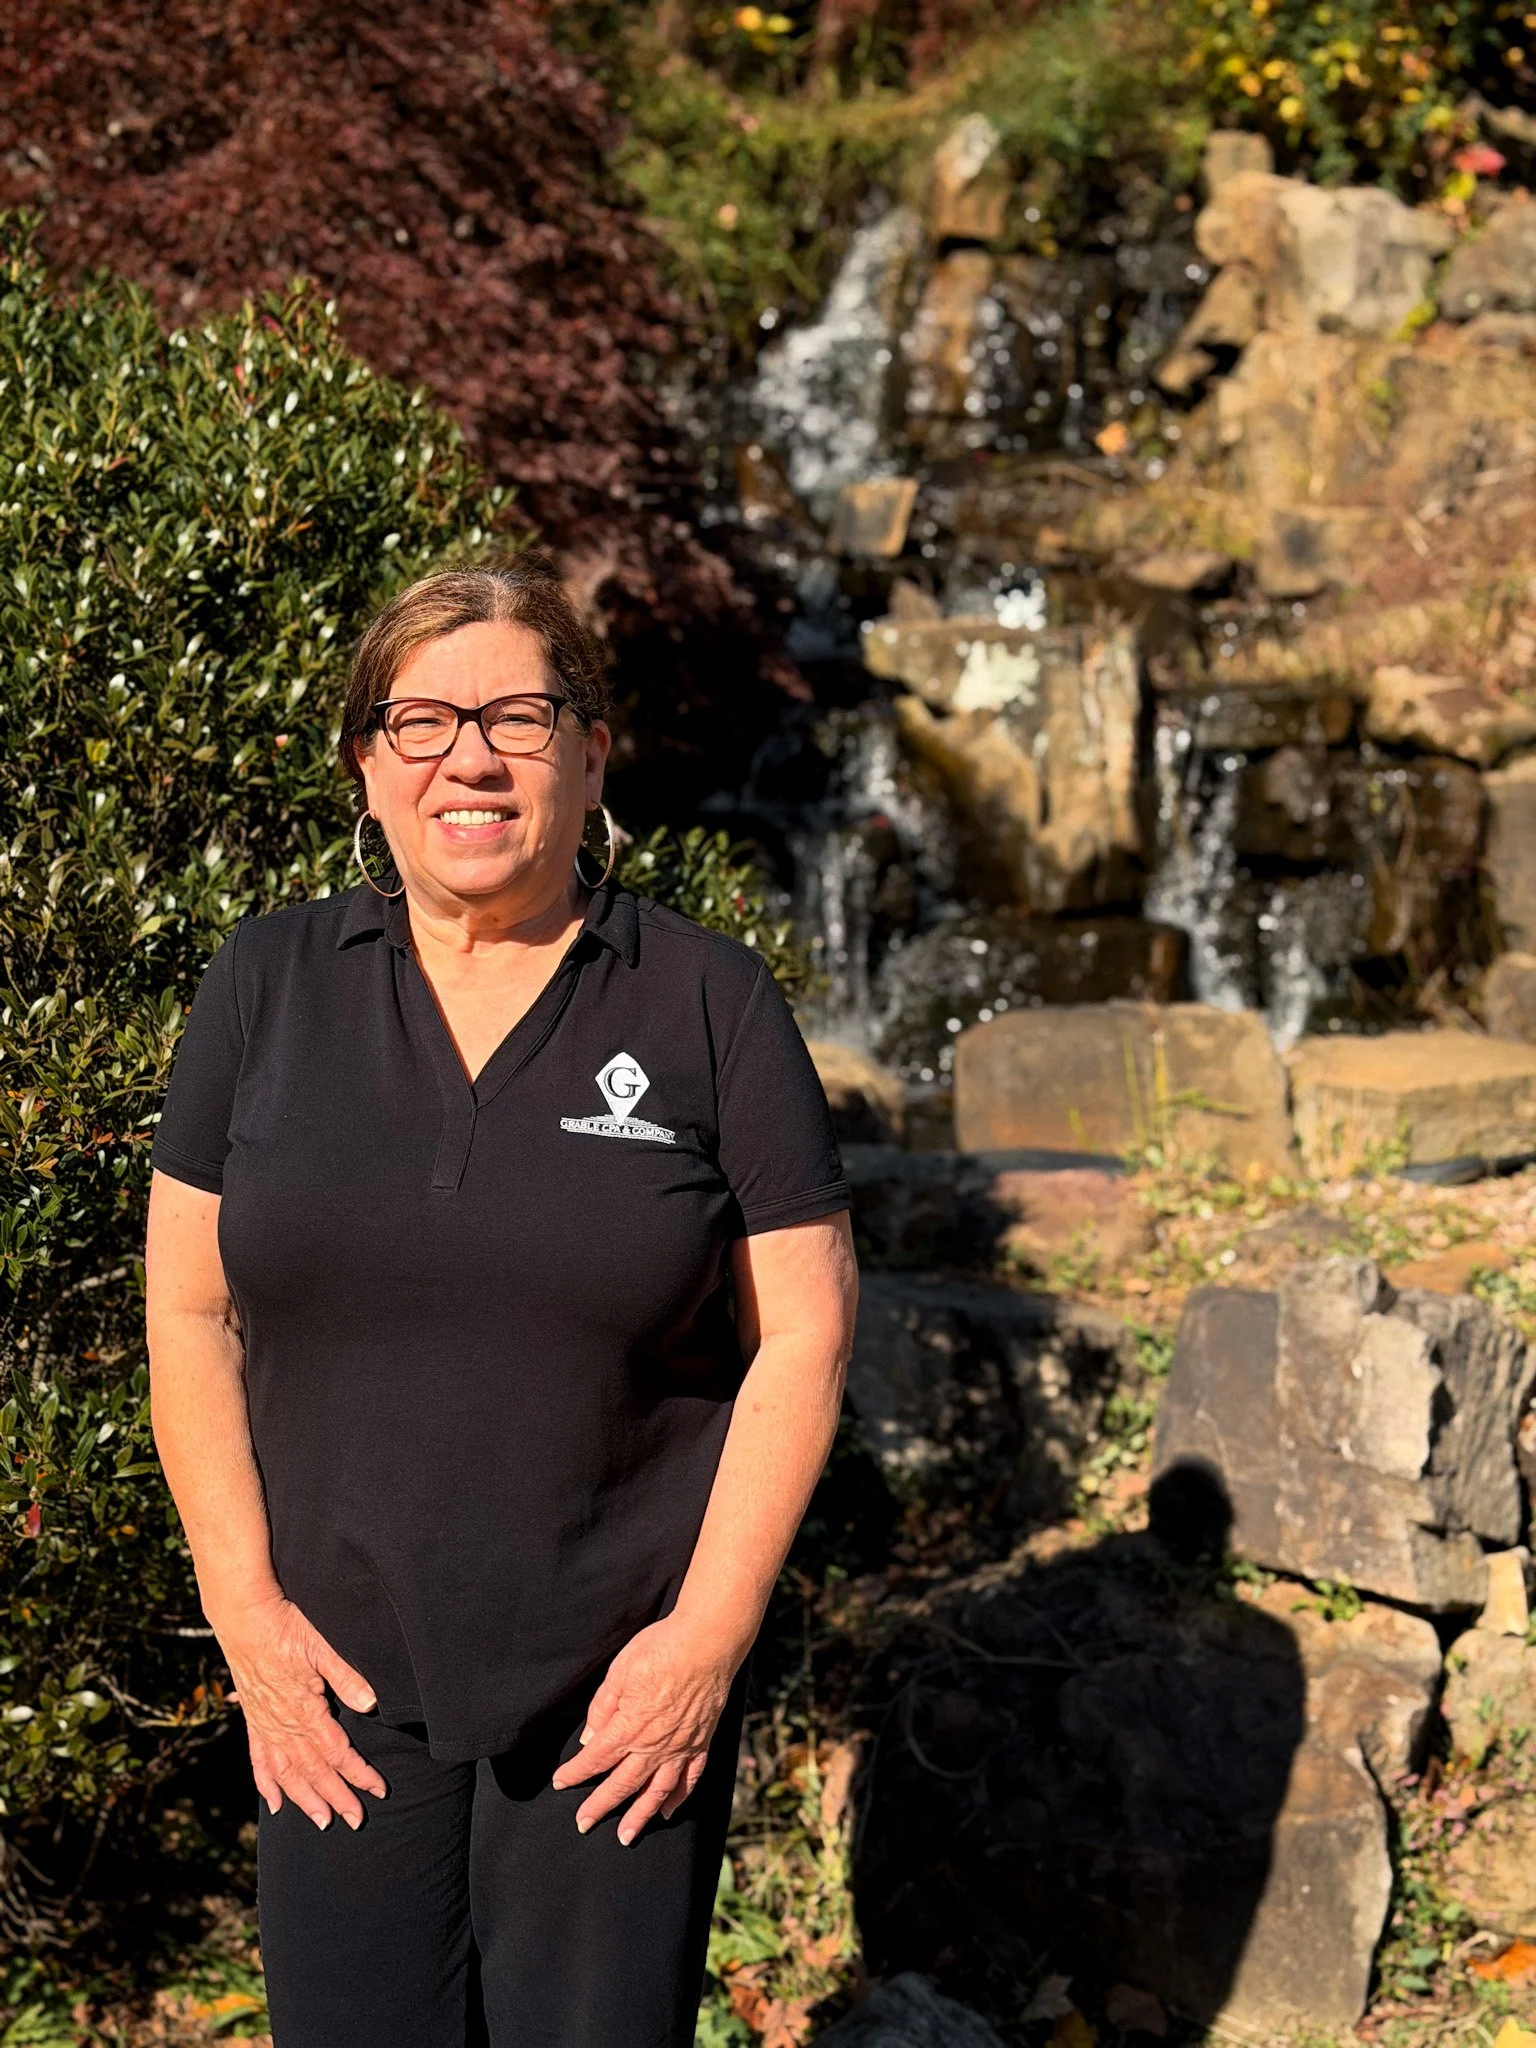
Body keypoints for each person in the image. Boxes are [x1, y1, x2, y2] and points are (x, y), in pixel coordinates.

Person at [144, 557, 858, 2048]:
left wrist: (707, 1642)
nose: (469, 756)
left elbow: (804, 1331)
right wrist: (246, 1619)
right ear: (368, 762)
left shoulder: (706, 1004)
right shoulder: (265, 984)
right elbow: (190, 1314)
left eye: (519, 718)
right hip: (331, 1689)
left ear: (592, 754)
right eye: (423, 722)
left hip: (615, 1699)